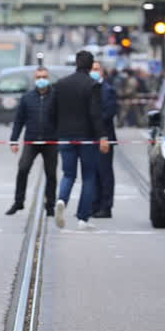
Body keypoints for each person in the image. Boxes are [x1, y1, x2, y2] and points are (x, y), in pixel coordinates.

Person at [49, 50, 109, 230]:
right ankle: (83, 218)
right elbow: (95, 114)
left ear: (76, 63)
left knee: (68, 174)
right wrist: (102, 137)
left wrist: (57, 131)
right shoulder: (93, 85)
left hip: (65, 136)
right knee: (89, 177)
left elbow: (52, 111)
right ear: (91, 66)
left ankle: (61, 200)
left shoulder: (60, 84)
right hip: (87, 138)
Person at [6, 67, 58, 217]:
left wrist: (62, 138)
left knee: (51, 174)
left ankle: (50, 205)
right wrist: (14, 140)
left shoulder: (55, 97)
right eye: (38, 77)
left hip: (50, 141)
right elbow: (19, 120)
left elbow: (61, 119)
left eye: (44, 76)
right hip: (31, 140)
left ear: (48, 78)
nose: (41, 79)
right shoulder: (27, 97)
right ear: (34, 80)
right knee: (23, 168)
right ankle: (18, 202)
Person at [90, 61, 117, 218]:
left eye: (97, 69)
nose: (94, 72)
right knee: (92, 172)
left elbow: (109, 112)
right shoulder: (88, 88)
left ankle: (106, 206)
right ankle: (94, 204)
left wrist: (95, 123)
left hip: (105, 137)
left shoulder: (108, 90)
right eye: (92, 69)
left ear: (102, 72)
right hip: (90, 138)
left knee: (104, 172)